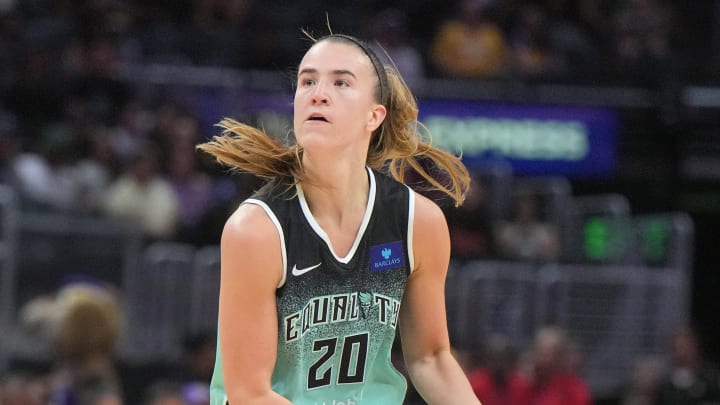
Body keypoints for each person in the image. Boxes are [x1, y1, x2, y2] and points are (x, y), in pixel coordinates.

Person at [198, 32, 480, 405]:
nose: (318, 92)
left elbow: (431, 359)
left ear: (374, 115)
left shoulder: (417, 222)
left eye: (341, 82)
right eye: (307, 81)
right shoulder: (256, 231)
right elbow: (250, 393)